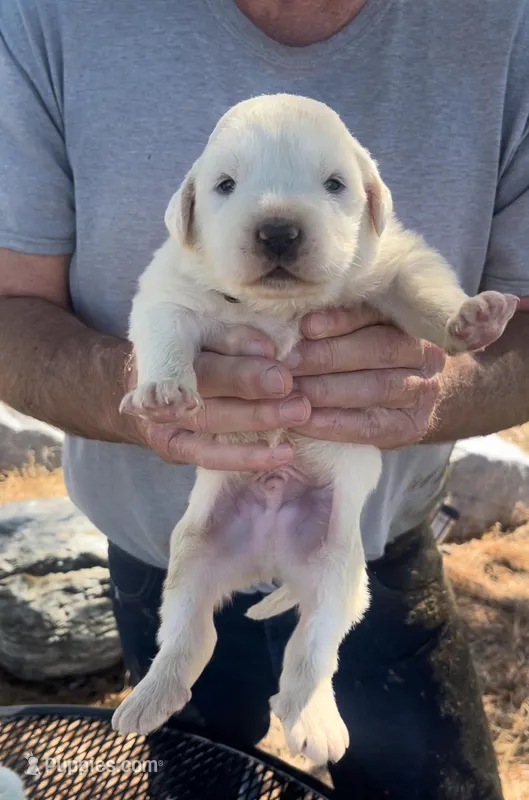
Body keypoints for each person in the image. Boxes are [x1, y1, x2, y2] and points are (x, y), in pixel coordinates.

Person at [0, 1, 528, 797]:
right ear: (185, 213)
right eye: (227, 187)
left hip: (382, 534)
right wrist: (144, 383)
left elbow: (419, 285)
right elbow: (18, 299)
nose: (277, 223)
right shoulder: (40, 17)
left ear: (371, 203)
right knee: (192, 653)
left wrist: (446, 355)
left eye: (328, 185)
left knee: (352, 638)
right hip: (152, 532)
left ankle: (307, 686)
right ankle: (176, 667)